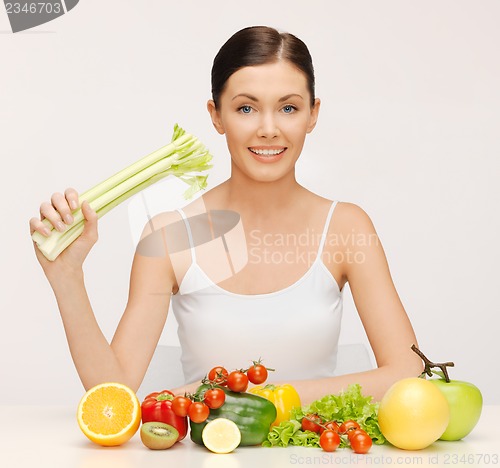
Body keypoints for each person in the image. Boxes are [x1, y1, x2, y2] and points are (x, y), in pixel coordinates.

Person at [30, 26, 423, 404]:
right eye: (246, 108)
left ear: (312, 114)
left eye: (288, 108)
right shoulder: (169, 236)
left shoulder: (346, 227)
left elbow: (408, 371)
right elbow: (112, 396)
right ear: (216, 115)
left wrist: (253, 396)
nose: (268, 129)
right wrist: (67, 279)